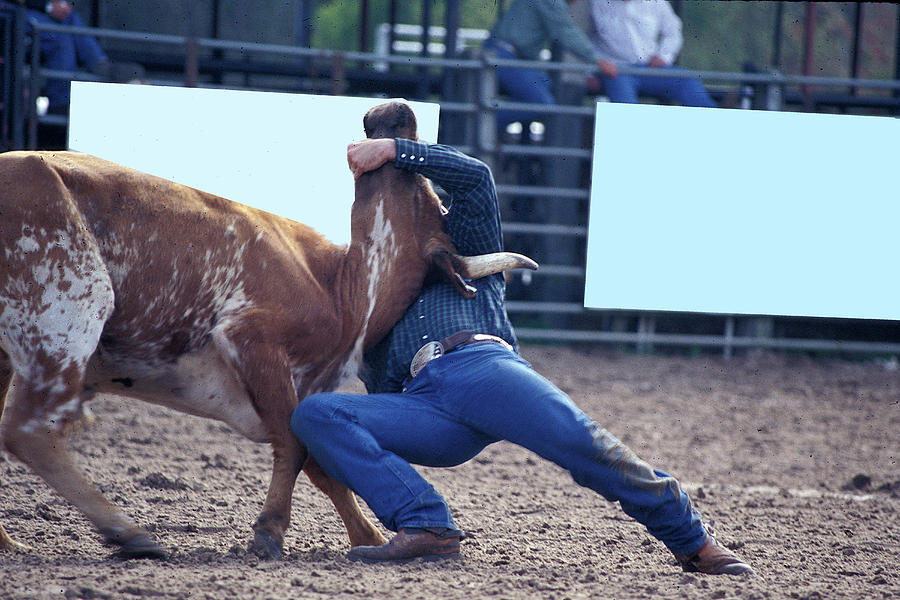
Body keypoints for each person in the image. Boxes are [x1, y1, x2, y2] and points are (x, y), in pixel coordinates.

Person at [289, 115, 754, 575]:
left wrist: (395, 151)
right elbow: (375, 383)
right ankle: (425, 524)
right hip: (423, 403)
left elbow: (475, 179)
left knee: (579, 442)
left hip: (481, 366)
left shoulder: (464, 233)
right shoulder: (368, 290)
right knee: (316, 415)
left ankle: (692, 539)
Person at [483, 0, 609, 130]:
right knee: (542, 103)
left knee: (548, 88)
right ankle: (485, 126)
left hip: (510, 57)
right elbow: (566, 32)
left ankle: (518, 140)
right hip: (505, 56)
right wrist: (597, 60)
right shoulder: (552, 2)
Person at [588, 0, 717, 107]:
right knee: (623, 99)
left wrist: (663, 56)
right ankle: (630, 135)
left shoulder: (657, 2)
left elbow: (673, 31)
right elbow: (582, 39)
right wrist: (590, 71)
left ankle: (715, 131)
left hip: (651, 68)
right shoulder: (595, 3)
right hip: (615, 70)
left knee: (687, 80)